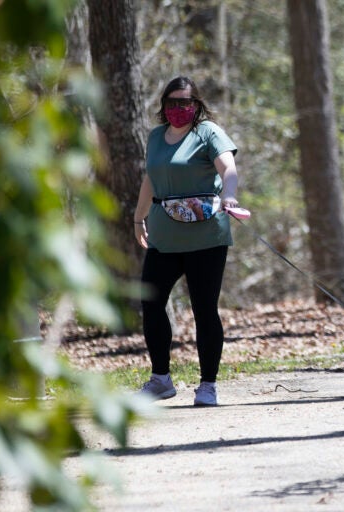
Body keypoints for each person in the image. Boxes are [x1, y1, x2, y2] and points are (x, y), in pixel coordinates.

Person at [133, 76, 239, 405]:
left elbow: (229, 169)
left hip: (206, 235)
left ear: (196, 105)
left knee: (204, 309)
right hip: (165, 236)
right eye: (172, 103)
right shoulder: (154, 137)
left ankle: (208, 385)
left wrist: (230, 196)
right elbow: (151, 177)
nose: (179, 109)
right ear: (163, 106)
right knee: (151, 302)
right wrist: (138, 217)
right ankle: (160, 379)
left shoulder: (207, 132)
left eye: (185, 103)